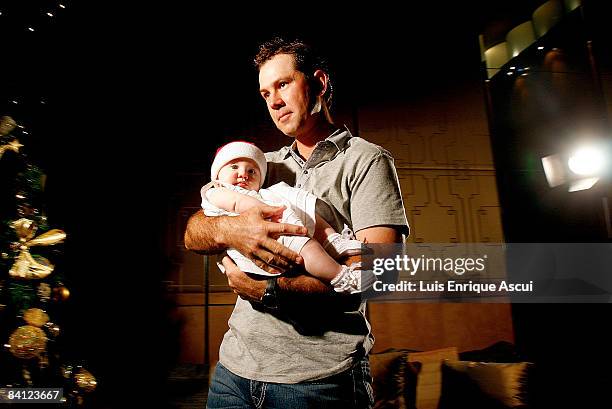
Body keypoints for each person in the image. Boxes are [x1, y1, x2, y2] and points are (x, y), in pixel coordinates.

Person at [184, 37, 409, 408]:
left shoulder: (367, 161)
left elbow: (380, 275)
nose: (272, 100)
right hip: (233, 373)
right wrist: (231, 229)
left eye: (283, 84)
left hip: (318, 381)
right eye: (264, 92)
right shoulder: (258, 166)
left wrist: (270, 291)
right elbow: (194, 232)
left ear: (319, 83)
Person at [202, 140, 373, 293]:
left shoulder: (265, 192)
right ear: (217, 176)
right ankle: (341, 277)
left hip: (276, 219)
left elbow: (386, 271)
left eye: (252, 171)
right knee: (309, 249)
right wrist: (269, 208)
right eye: (234, 167)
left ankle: (333, 240)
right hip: (266, 238)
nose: (244, 174)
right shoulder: (217, 192)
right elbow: (237, 204)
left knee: (294, 200)